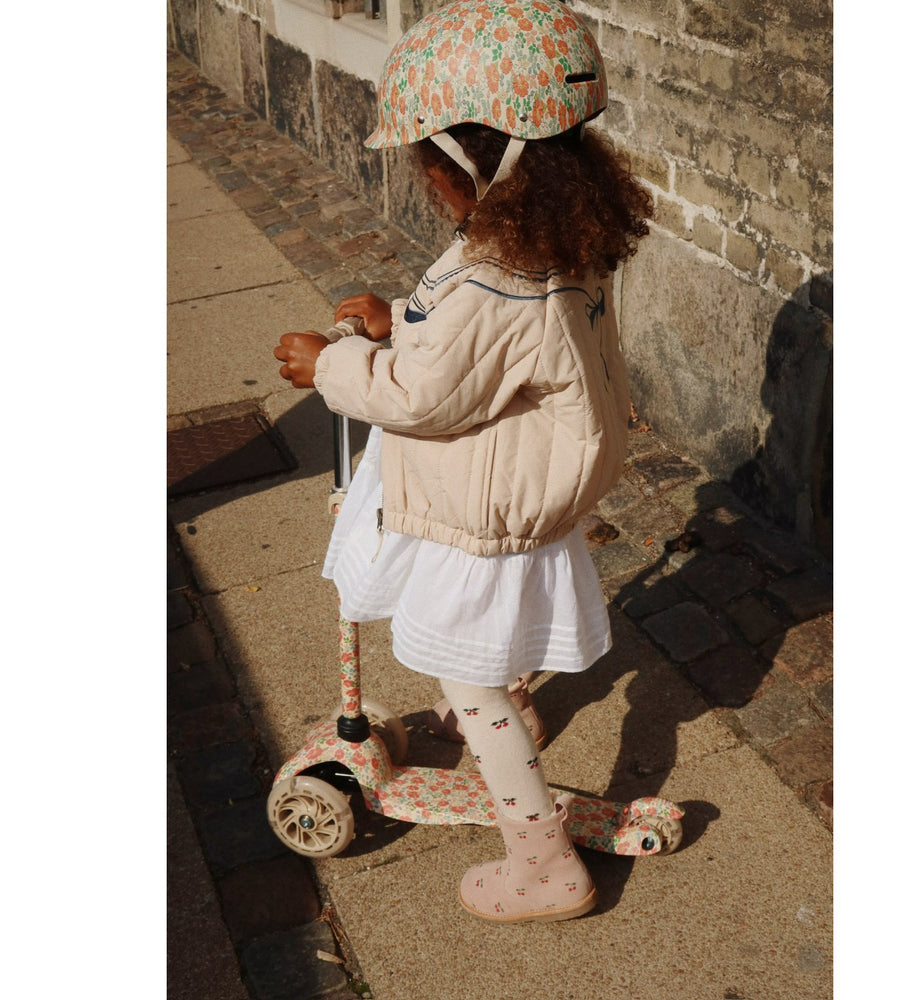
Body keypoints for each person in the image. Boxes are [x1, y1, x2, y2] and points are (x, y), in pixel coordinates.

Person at [273, 0, 652, 924]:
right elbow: (475, 353)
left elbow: (423, 395)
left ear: (475, 167)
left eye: (432, 172)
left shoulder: (498, 277)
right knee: (496, 640)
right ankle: (514, 703)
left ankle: (544, 863)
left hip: (481, 507)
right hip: (518, 482)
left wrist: (332, 365)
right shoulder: (555, 241)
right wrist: (396, 320)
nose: (432, 189)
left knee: (464, 673)